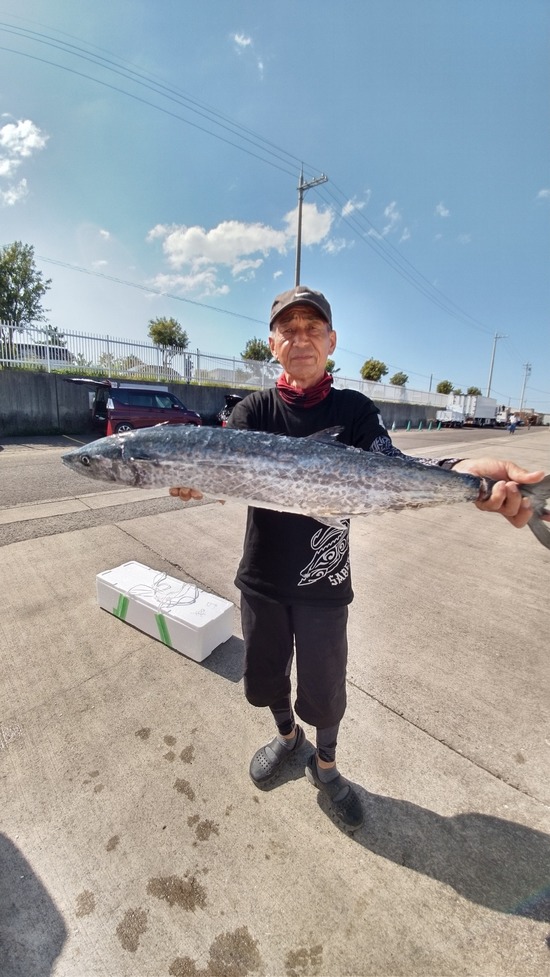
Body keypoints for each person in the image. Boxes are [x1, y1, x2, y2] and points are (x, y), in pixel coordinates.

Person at [170, 285, 547, 832]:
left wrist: (473, 473)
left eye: (312, 329)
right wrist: (192, 478)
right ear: (272, 343)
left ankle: (326, 766)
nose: (300, 339)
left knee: (325, 690)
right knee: (264, 679)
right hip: (263, 580)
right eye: (288, 330)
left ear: (331, 341)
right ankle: (286, 738)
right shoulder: (251, 410)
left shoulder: (354, 410)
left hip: (326, 583)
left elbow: (393, 465)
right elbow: (224, 464)